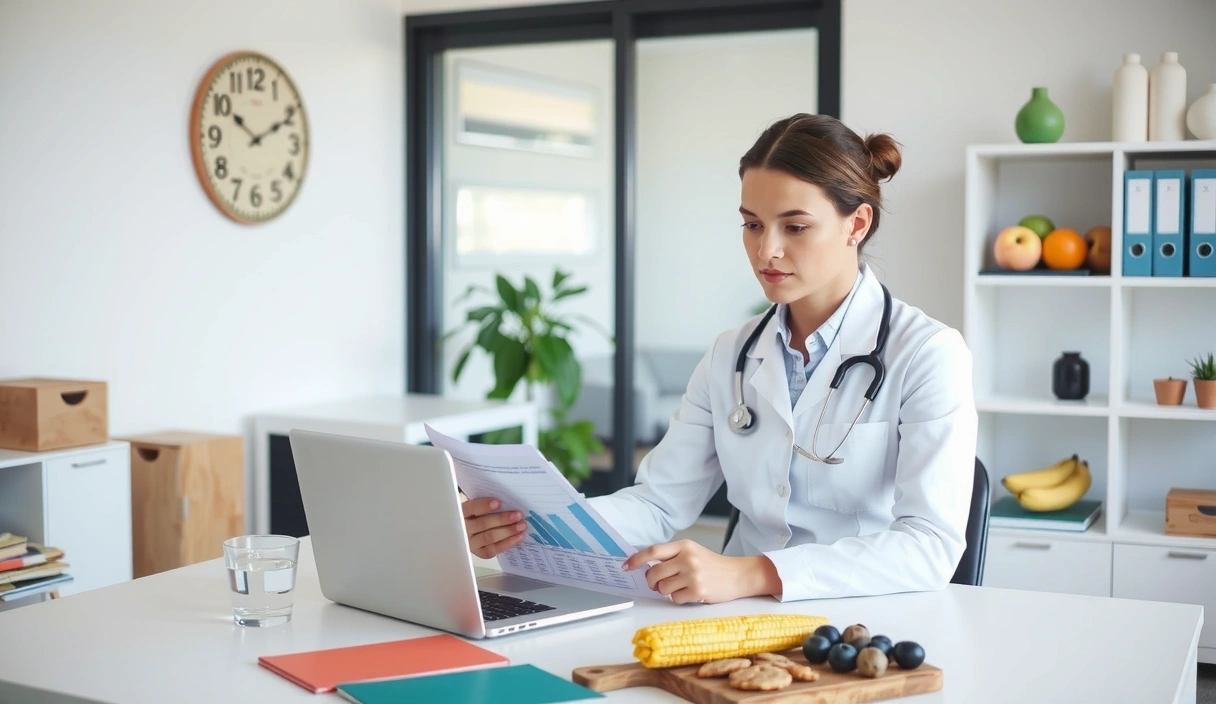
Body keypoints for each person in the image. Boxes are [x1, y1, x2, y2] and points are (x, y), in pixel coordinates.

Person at [461, 113, 978, 604]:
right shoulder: (731, 353)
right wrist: (532, 528)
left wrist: (752, 573)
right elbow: (659, 502)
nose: (765, 251)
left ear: (856, 224)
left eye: (794, 227)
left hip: (862, 623)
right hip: (732, 619)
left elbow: (929, 544)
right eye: (752, 225)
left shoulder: (926, 354)